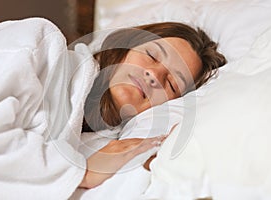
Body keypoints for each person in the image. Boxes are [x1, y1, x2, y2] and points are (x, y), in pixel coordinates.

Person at [80, 22, 226, 187]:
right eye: (151, 55)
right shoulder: (52, 57)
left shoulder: (105, 143)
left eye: (172, 84)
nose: (154, 74)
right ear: (125, 46)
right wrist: (79, 175)